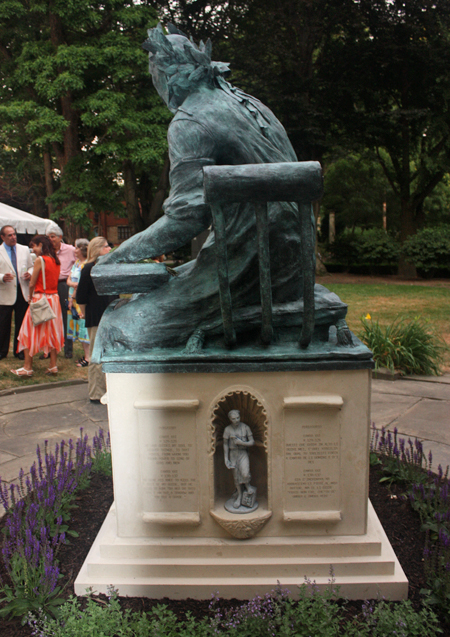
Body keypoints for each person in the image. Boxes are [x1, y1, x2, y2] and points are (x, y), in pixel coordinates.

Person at [93, 24, 348, 357]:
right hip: (294, 261)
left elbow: (186, 218)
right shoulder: (249, 103)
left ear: (166, 75)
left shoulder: (190, 122)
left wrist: (118, 255)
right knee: (163, 286)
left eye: (153, 73)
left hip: (248, 264)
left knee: (120, 325)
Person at [11, 235, 64, 376]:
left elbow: (33, 282)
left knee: (27, 331)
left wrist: (30, 295)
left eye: (34, 246)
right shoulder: (56, 260)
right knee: (53, 332)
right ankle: (53, 365)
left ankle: (27, 367)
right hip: (54, 299)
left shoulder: (41, 260)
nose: (33, 249)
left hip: (40, 298)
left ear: (41, 245)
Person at [76, 237, 117, 402]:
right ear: (98, 249)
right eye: (106, 246)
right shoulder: (88, 268)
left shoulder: (109, 267)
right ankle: (96, 393)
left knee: (110, 354)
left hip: (111, 314)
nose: (109, 249)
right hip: (96, 316)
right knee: (97, 354)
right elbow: (81, 297)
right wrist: (86, 313)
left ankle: (110, 390)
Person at [0, 225, 33, 361]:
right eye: (9, 235)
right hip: (5, 291)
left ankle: (19, 350)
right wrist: (1, 277)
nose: (13, 237)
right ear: (2, 237)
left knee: (21, 323)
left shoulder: (24, 249)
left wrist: (29, 274)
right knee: (3, 323)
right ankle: (2, 351)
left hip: (22, 291)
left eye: (14, 234)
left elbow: (32, 266)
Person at [46, 224, 76, 359]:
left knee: (65, 316)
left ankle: (68, 349)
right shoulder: (46, 250)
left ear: (60, 237)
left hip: (64, 285)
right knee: (48, 316)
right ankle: (48, 349)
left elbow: (80, 263)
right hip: (49, 285)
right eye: (48, 237)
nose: (50, 239)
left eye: (53, 237)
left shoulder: (70, 250)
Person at [223, 410, 256, 509]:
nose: (236, 420)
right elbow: (225, 444)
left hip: (243, 453)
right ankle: (240, 495)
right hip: (233, 454)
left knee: (245, 473)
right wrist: (226, 458)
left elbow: (252, 442)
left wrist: (241, 443)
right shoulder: (227, 429)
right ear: (230, 419)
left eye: (237, 418)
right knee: (236, 477)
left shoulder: (245, 427)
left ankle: (247, 485)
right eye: (233, 419)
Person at [66, 239, 90, 367]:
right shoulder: (76, 263)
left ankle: (88, 357)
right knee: (78, 327)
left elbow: (80, 285)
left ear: (82, 249)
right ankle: (86, 354)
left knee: (83, 327)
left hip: (79, 300)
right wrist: (71, 284)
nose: (74, 250)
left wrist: (72, 298)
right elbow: (69, 280)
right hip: (73, 298)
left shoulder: (86, 265)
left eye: (76, 248)